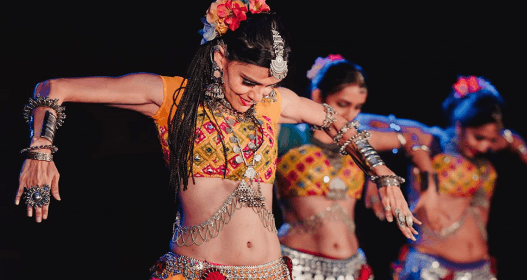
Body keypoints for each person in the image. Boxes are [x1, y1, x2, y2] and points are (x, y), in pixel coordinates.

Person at [15, 1, 418, 279]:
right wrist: (41, 151)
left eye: (269, 85)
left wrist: (384, 176)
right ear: (221, 56)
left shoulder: (274, 103)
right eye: (248, 81)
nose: (257, 94)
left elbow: (335, 120)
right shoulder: (170, 97)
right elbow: (53, 87)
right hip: (197, 272)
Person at [361, 76, 527, 279]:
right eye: (478, 137)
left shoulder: (486, 146)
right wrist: (374, 174)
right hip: (432, 268)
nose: (485, 146)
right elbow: (363, 124)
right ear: (459, 126)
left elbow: (513, 140)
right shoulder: (431, 140)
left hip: (480, 270)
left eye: (491, 140)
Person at [275, 55, 435, 280]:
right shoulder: (289, 135)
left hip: (351, 267)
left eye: (358, 107)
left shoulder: (360, 142)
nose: (350, 114)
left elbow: (417, 138)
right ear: (318, 95)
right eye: (342, 104)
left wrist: (428, 188)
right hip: (296, 264)